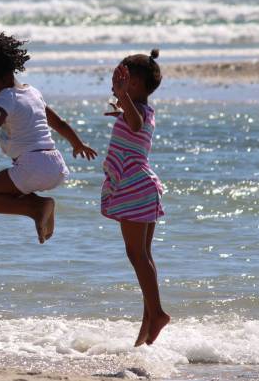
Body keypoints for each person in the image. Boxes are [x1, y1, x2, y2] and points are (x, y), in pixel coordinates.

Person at [0, 27, 97, 243]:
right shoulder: (32, 93)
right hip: (56, 165)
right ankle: (39, 206)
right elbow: (59, 123)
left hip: (33, 165)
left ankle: (38, 207)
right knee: (9, 190)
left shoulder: (5, 97)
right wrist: (77, 144)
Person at [102, 49, 170, 346]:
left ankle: (156, 314)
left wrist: (123, 100)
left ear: (137, 85)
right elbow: (133, 121)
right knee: (144, 256)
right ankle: (146, 326)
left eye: (124, 80)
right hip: (142, 187)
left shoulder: (138, 113)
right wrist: (121, 102)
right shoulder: (142, 108)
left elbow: (135, 124)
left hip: (134, 186)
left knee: (136, 254)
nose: (117, 84)